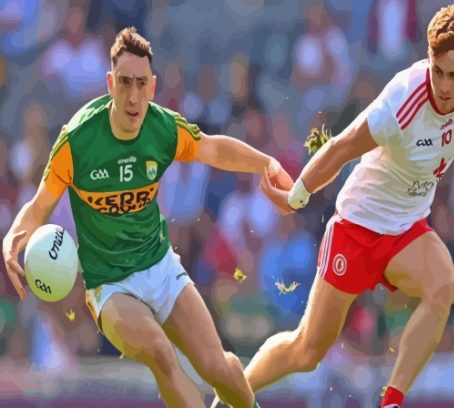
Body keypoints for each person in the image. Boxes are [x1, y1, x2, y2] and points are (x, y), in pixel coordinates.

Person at [2, 27, 293, 408]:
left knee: (218, 368)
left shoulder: (162, 127)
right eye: (125, 83)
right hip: (110, 286)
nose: (134, 96)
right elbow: (40, 205)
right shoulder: (77, 140)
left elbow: (211, 149)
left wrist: (267, 163)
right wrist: (14, 235)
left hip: (161, 267)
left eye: (141, 84)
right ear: (110, 83)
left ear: (152, 87)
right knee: (161, 352)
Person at [242, 5, 454, 408]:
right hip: (358, 226)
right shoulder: (401, 102)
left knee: (443, 286)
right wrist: (296, 197)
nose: (445, 86)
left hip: (407, 229)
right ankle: (233, 390)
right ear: (427, 61)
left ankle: (391, 401)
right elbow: (341, 147)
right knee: (307, 350)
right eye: (437, 72)